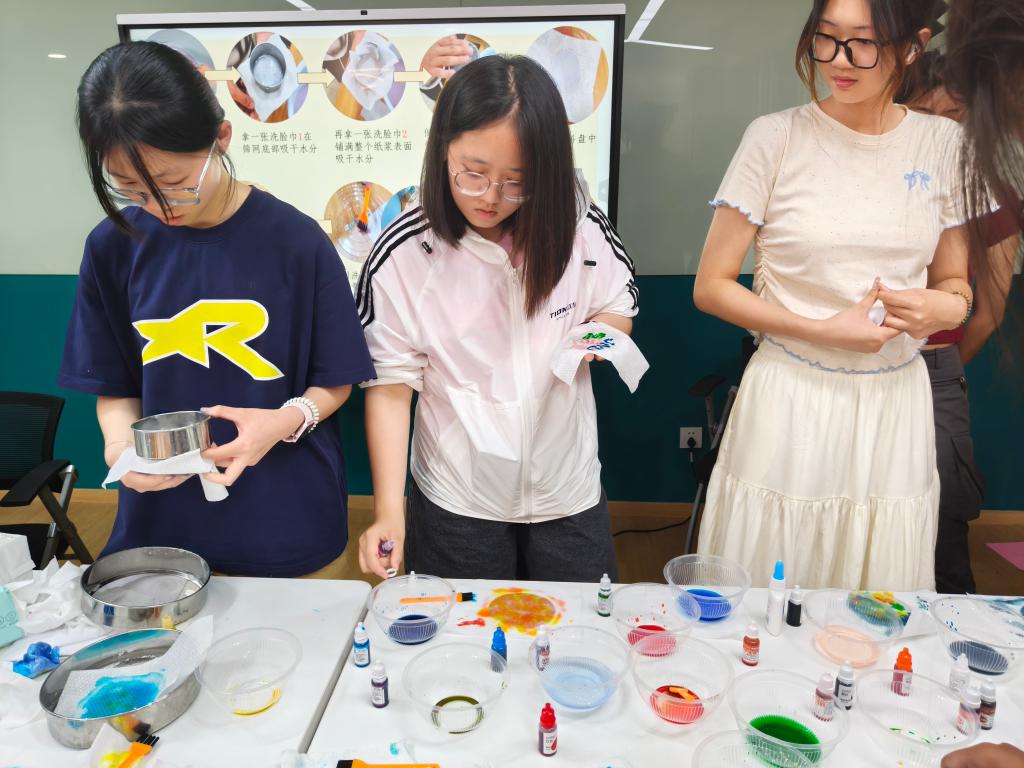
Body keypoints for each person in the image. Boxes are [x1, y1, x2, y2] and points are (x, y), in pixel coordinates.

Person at [59, 41, 375, 577]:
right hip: (161, 526)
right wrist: (117, 449)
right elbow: (114, 385)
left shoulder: (297, 242)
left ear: (221, 138)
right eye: (132, 190)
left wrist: (281, 422)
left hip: (286, 521)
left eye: (175, 185)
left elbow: (334, 382)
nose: (160, 208)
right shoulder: (113, 246)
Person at [693, 0, 971, 590]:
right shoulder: (775, 137)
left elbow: (955, 283)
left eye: (862, 42)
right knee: (770, 580)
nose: (839, 61)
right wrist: (824, 330)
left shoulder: (944, 143)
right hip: (792, 396)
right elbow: (711, 286)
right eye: (826, 39)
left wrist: (944, 308)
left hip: (893, 404)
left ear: (913, 46)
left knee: (876, 593)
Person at [354, 55, 638, 582]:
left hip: (566, 488)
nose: (490, 198)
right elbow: (390, 387)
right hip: (458, 496)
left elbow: (617, 307)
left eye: (516, 181)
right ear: (443, 149)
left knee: (578, 624)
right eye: (473, 173)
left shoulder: (580, 228)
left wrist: (595, 338)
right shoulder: (405, 251)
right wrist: (389, 511)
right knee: (463, 627)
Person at [898, 50, 1020, 594]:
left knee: (945, 531)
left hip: (933, 370)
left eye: (955, 116)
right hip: (853, 367)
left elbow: (989, 312)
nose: (942, 129)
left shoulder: (991, 196)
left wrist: (943, 366)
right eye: (928, 114)